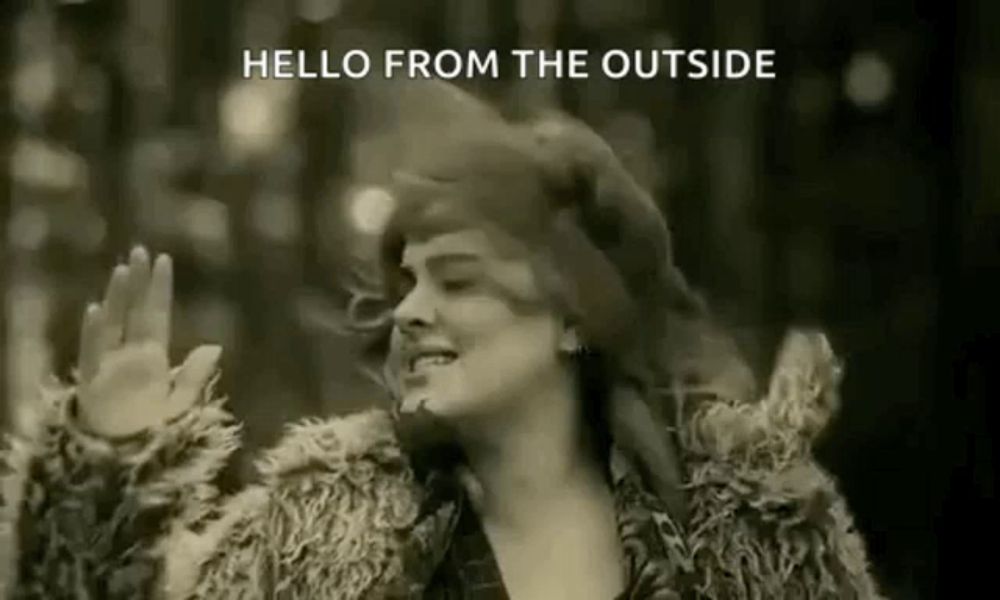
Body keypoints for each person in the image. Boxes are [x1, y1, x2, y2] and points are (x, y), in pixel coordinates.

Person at [0, 97, 883, 599]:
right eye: (408, 282)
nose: (412, 312)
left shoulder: (753, 532)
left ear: (576, 314)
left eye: (457, 281)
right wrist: (105, 466)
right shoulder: (317, 532)